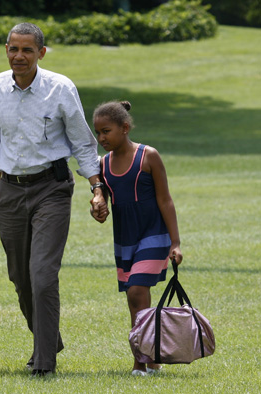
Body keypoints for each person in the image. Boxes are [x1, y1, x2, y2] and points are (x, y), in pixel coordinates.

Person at [0, 22, 108, 377]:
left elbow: (83, 144)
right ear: (6, 50)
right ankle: (47, 339)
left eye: (27, 50)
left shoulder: (60, 88)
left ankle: (44, 364)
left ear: (41, 53)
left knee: (42, 275)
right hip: (9, 190)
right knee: (20, 277)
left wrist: (96, 188)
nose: (18, 56)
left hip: (50, 190)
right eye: (13, 49)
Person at [92, 100, 183, 376]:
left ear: (125, 127)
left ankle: (140, 361)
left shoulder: (148, 156)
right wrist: (98, 207)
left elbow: (165, 200)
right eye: (98, 133)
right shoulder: (103, 164)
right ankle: (153, 359)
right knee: (137, 300)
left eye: (106, 131)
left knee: (136, 292)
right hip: (125, 240)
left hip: (154, 235)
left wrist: (176, 242)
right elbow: (102, 199)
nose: (101, 138)